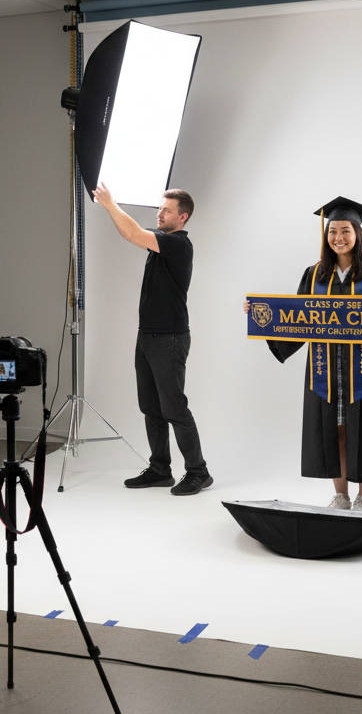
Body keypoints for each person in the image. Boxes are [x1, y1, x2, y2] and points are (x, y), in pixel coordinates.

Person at [244, 196, 362, 511]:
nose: (338, 238)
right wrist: (261, 315)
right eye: (332, 231)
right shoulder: (315, 275)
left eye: (345, 231)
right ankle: (341, 494)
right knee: (337, 429)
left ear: (357, 234)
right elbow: (296, 319)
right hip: (326, 368)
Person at [92, 181, 212, 496]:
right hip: (147, 337)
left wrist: (109, 203)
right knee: (151, 407)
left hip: (169, 339)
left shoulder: (179, 244)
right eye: (159, 208)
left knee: (174, 408)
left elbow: (132, 233)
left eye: (166, 210)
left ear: (182, 217)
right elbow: (130, 231)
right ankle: (160, 469)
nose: (159, 214)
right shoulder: (160, 241)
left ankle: (199, 472)